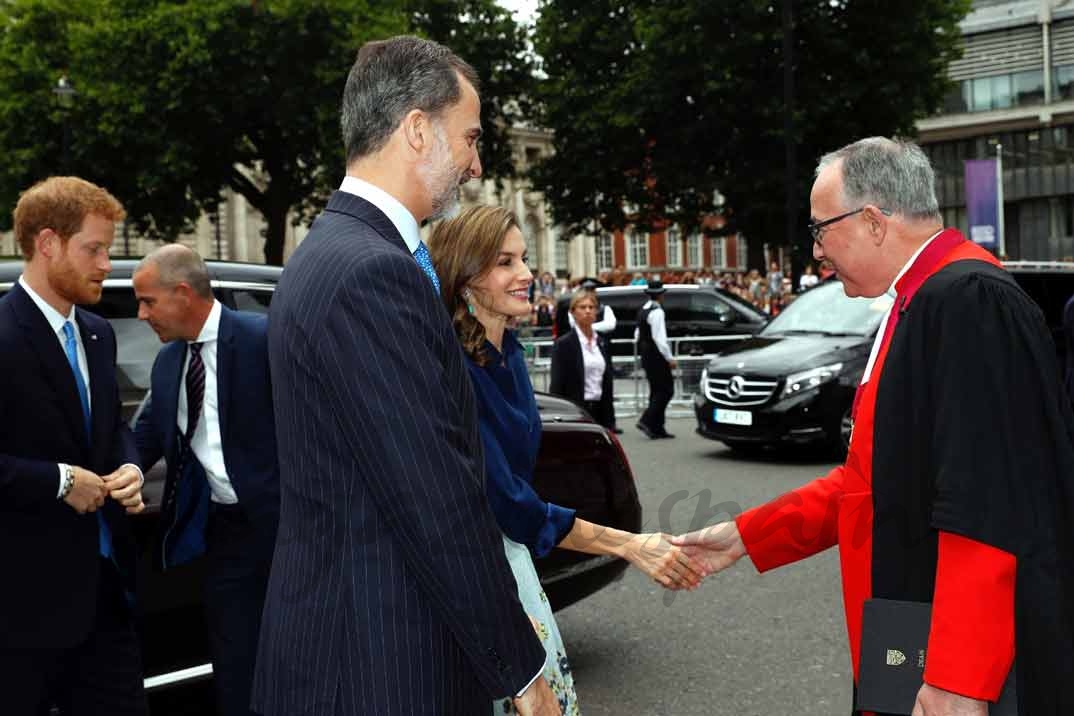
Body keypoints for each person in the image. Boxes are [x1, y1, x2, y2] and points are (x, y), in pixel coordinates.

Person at [674, 137, 1074, 715]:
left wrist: (959, 679)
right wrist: (746, 535)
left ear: (871, 220)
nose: (816, 251)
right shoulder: (921, 298)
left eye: (819, 229)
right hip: (913, 631)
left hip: (955, 664)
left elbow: (988, 502)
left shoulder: (966, 298)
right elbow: (873, 479)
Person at [252, 36, 556, 716]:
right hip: (379, 663)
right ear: (418, 129)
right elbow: (435, 498)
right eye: (470, 138)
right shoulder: (373, 272)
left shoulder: (333, 251)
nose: (477, 165)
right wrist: (522, 672)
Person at [430, 206, 702, 714]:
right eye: (505, 262)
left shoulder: (507, 352)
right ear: (465, 279)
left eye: (525, 259)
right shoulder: (455, 369)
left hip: (517, 566)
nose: (528, 275)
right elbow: (512, 504)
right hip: (477, 580)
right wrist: (630, 545)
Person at [0, 176, 146, 715]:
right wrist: (59, 481)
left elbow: (111, 432)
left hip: (107, 594)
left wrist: (129, 466)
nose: (107, 264)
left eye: (108, 249)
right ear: (47, 244)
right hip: (21, 613)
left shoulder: (96, 332)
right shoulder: (4, 335)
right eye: (94, 249)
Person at [132, 245, 279, 716]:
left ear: (182, 294)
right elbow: (149, 432)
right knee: (236, 667)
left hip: (291, 532)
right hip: (225, 536)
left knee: (301, 660)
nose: (141, 314)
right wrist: (127, 471)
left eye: (148, 301)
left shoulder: (263, 339)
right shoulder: (169, 361)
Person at [551, 289, 616, 429]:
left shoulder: (601, 342)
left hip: (601, 410)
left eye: (591, 307)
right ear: (573, 312)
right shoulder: (564, 344)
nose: (588, 311)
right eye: (582, 307)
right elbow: (557, 384)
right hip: (576, 410)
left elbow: (607, 381)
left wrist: (611, 418)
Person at [634, 279, 677, 439]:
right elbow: (660, 338)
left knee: (655, 390)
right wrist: (669, 358)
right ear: (660, 295)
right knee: (666, 390)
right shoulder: (657, 311)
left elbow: (637, 334)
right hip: (656, 354)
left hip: (646, 354)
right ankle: (647, 420)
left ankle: (657, 427)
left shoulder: (642, 310)